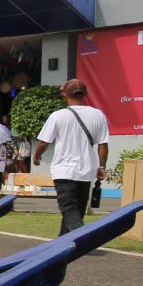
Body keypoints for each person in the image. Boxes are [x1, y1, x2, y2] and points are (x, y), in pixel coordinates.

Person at [34, 79, 109, 235]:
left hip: (64, 170)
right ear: (85, 94)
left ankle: (82, 235)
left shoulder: (58, 116)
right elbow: (103, 145)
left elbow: (43, 142)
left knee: (68, 207)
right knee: (77, 209)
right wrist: (102, 167)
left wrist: (37, 156)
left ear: (64, 94)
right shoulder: (98, 115)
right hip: (87, 170)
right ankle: (64, 241)